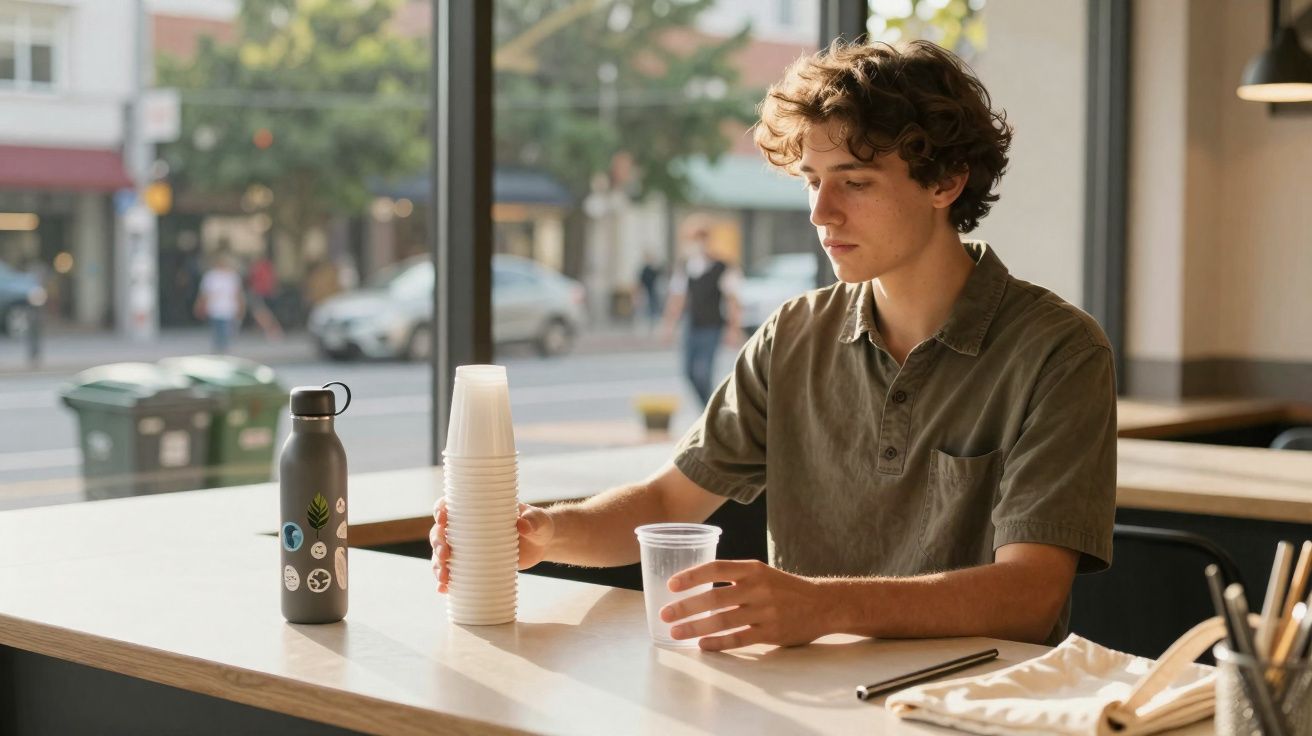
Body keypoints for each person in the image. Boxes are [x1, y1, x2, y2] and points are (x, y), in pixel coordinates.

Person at [431, 40, 1116, 651]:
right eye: (813, 183)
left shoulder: (1058, 351)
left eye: (854, 182)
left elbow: (1031, 598)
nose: (821, 214)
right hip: (799, 702)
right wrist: (544, 532)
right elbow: (669, 504)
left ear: (945, 182)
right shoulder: (794, 335)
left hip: (974, 708)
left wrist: (820, 605)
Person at [659, 222, 743, 407]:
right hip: (692, 325)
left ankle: (712, 410)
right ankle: (708, 410)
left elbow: (733, 300)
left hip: (712, 325)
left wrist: (733, 329)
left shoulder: (722, 266)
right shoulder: (686, 266)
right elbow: (678, 298)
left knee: (703, 372)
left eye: (699, 238)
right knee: (688, 372)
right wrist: (669, 326)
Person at [194, 251, 244, 354]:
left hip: (229, 308)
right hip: (214, 308)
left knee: (226, 331)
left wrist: (240, 307)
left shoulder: (232, 276)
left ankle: (223, 350)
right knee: (217, 331)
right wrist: (199, 306)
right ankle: (219, 350)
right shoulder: (210, 276)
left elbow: (238, 294)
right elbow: (204, 293)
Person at [637, 251, 664, 331]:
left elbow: (658, 275)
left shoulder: (652, 269)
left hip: (653, 290)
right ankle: (648, 321)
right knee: (648, 306)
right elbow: (641, 280)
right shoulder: (645, 269)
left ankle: (653, 320)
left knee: (653, 305)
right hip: (647, 290)